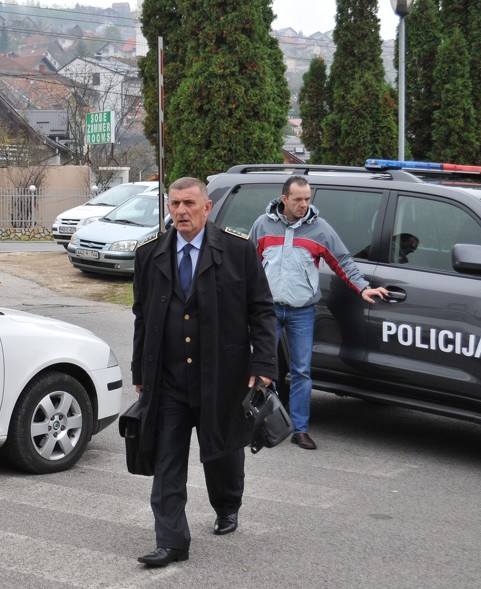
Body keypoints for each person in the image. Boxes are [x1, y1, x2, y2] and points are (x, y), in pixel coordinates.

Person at [131, 177, 279, 567]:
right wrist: (139, 371)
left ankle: (227, 505)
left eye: (189, 203)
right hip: (168, 380)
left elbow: (262, 310)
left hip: (223, 375)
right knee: (167, 461)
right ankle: (172, 541)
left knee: (223, 452)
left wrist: (263, 364)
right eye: (174, 204)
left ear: (207, 207)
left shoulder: (236, 250)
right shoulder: (149, 254)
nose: (181, 211)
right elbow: (142, 316)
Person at [249, 175, 389, 450]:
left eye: (307, 199)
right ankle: (262, 424)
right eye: (298, 199)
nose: (304, 204)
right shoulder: (262, 225)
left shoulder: (320, 229)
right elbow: (247, 264)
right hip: (268, 310)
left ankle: (299, 429)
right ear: (284, 199)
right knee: (264, 368)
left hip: (302, 312)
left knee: (302, 370)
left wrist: (363, 288)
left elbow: (343, 261)